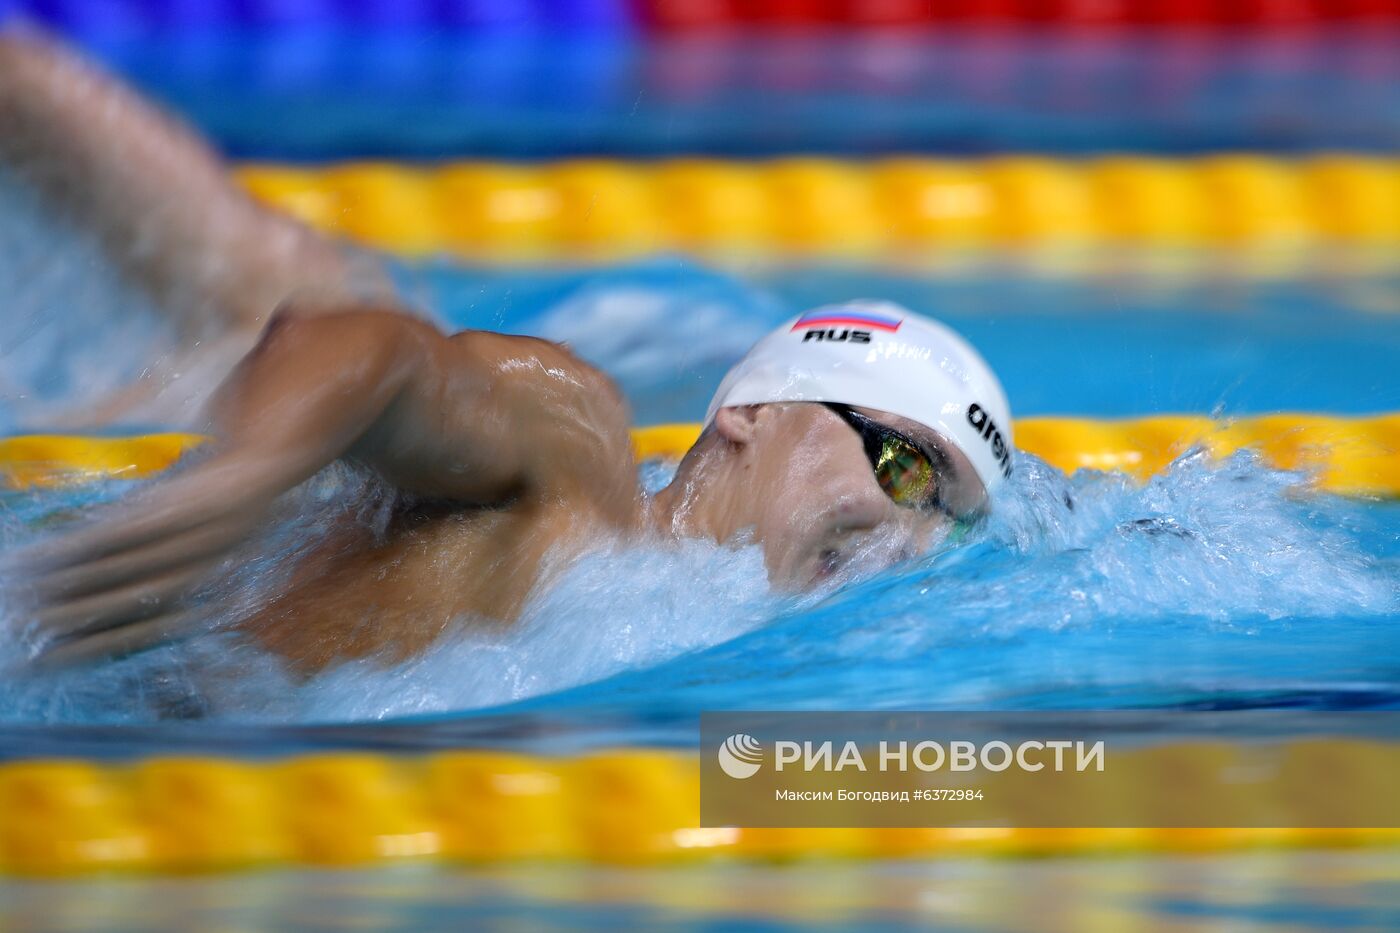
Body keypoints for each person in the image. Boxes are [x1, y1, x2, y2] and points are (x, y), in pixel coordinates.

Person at [0, 31, 1014, 676]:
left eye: (951, 525)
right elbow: (369, 352)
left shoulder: (711, 646)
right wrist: (244, 479)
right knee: (295, 284)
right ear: (754, 410)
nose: (912, 539)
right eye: (905, 466)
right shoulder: (577, 460)